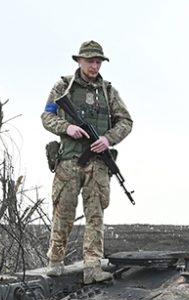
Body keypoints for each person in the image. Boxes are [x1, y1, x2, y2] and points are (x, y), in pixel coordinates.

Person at [41, 40, 133, 283]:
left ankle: (92, 266)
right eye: (90, 61)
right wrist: (67, 127)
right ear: (79, 61)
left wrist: (107, 139)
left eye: (98, 61)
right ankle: (55, 260)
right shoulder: (63, 87)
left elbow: (126, 122)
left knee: (95, 215)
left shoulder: (108, 92)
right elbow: (46, 116)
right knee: (64, 212)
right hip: (69, 160)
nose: (94, 65)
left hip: (98, 163)